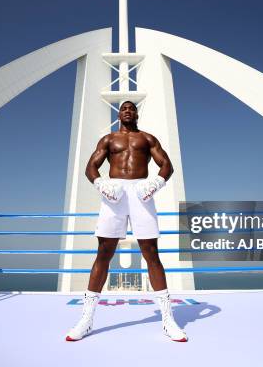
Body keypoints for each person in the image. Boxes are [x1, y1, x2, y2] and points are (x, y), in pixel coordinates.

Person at [65, 101, 187, 342]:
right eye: (124, 109)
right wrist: (101, 184)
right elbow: (91, 166)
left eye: (131, 108)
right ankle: (86, 319)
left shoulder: (147, 139)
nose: (128, 111)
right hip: (114, 193)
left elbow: (166, 165)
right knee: (103, 252)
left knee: (151, 252)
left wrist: (155, 183)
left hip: (142, 193)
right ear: (119, 114)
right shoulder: (109, 140)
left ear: (137, 113)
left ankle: (167, 319)